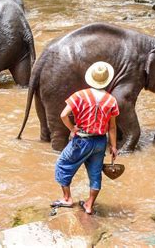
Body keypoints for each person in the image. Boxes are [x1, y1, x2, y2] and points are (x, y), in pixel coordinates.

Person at [52, 61, 119, 215]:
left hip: (82, 140)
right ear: (106, 80)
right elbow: (112, 127)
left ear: (91, 78)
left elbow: (63, 115)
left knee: (63, 165)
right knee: (95, 173)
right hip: (100, 142)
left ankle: (67, 198)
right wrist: (113, 146)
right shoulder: (111, 100)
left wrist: (72, 129)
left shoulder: (80, 95)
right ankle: (89, 205)